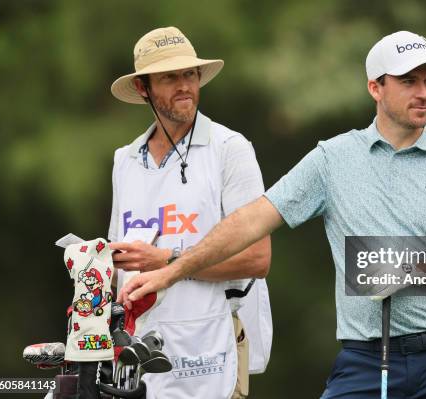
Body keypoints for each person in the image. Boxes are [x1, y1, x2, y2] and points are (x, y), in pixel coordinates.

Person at [120, 30, 426, 398]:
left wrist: (408, 267)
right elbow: (252, 221)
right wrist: (172, 270)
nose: (423, 93)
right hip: (365, 358)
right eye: (408, 81)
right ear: (376, 87)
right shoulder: (332, 159)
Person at [107, 26, 272, 399]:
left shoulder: (230, 148)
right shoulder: (125, 160)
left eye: (190, 74)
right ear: (142, 88)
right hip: (141, 358)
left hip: (214, 352)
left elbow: (257, 258)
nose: (184, 85)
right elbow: (119, 270)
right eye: (170, 77)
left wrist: (167, 259)